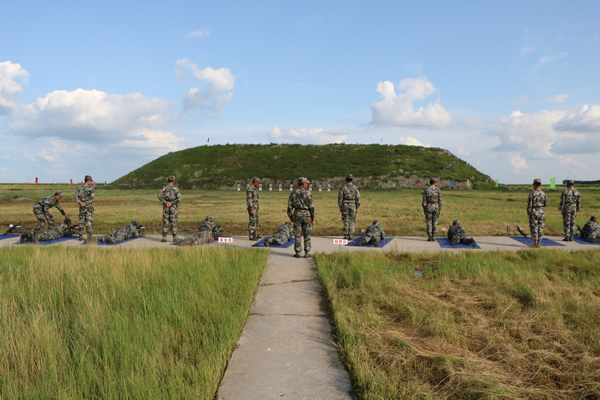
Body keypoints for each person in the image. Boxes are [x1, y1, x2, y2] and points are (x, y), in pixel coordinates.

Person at [287, 177, 315, 258]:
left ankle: (298, 252)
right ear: (303, 183)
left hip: (297, 214)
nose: (307, 184)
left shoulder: (293, 192)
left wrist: (290, 216)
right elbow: (311, 207)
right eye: (306, 183)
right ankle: (307, 252)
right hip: (307, 214)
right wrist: (313, 217)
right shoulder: (308, 193)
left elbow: (289, 206)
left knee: (297, 234)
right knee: (307, 234)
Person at [158, 175, 181, 243]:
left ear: (168, 180)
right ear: (173, 181)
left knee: (165, 221)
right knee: (173, 222)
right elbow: (179, 199)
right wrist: (172, 203)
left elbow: (159, 196)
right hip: (173, 207)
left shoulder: (164, 188)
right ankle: (174, 238)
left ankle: (164, 238)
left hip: (166, 207)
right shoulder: (176, 189)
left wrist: (166, 202)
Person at [338, 174, 360, 240]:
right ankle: (351, 235)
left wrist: (340, 206)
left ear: (346, 180)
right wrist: (357, 207)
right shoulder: (355, 188)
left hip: (345, 205)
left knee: (346, 220)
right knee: (352, 220)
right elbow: (357, 198)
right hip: (353, 204)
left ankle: (346, 235)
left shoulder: (343, 187)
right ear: (352, 180)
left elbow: (340, 198)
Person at [527, 178, 548, 248]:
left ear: (535, 185)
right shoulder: (544, 194)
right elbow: (545, 204)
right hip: (541, 211)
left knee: (534, 227)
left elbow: (530, 205)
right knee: (540, 227)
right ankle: (539, 242)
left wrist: (529, 213)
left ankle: (535, 242)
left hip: (534, 211)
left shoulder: (532, 193)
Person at [75, 175, 95, 241]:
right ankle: (89, 236)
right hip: (88, 207)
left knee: (81, 221)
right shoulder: (91, 188)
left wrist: (80, 203)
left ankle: (80, 236)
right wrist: (86, 203)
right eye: (90, 181)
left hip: (82, 207)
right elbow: (92, 198)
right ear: (89, 181)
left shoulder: (79, 188)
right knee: (88, 221)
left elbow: (76, 197)